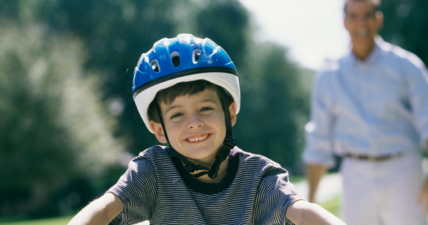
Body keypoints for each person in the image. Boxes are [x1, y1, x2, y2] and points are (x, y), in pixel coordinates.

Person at [68, 34, 344, 225]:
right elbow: (105, 208)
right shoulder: (153, 171)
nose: (193, 122)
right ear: (159, 130)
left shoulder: (259, 177)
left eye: (205, 108)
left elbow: (304, 213)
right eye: (177, 114)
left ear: (230, 112)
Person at [303, 0, 428, 224]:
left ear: (378, 19)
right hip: (355, 175)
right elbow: (318, 142)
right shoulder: (328, 78)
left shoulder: (407, 66)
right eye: (354, 16)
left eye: (367, 15)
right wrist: (309, 204)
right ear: (345, 22)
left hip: (403, 171)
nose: (361, 23)